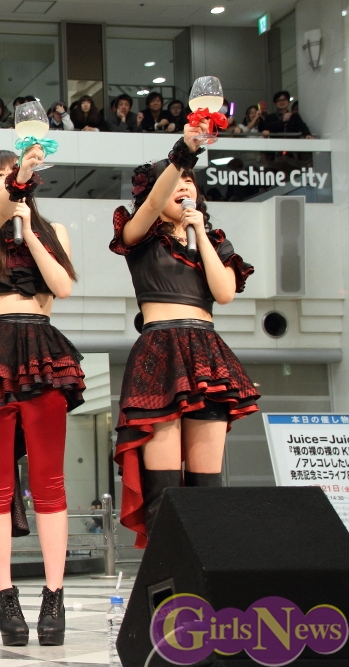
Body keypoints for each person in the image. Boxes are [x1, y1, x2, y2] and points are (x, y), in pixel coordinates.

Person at [0, 145, 83, 648]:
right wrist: (14, 194)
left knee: (50, 481)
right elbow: (0, 209)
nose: (9, 180)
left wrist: (32, 228)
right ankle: (5, 596)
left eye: (16, 172)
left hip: (43, 350)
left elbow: (61, 288)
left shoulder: (53, 230)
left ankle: (54, 595)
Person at [109, 122, 258, 550]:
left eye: (190, 181)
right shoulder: (140, 234)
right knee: (165, 487)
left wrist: (202, 234)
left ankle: (205, 575)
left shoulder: (212, 240)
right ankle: (163, 579)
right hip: (160, 350)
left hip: (206, 353)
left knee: (206, 487)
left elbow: (224, 293)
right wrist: (184, 152)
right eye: (176, 180)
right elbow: (154, 202)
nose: (184, 186)